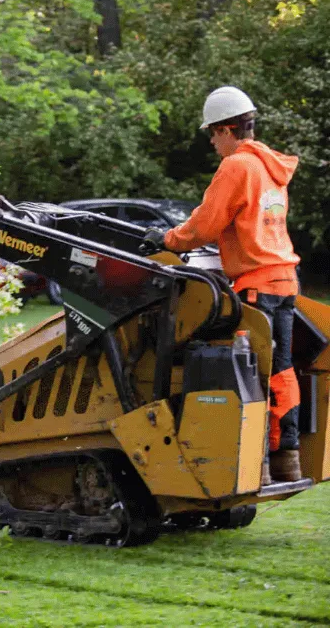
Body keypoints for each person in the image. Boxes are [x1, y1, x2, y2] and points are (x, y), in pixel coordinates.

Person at [143, 85, 302, 484]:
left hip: (256, 286)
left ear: (227, 129)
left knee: (247, 373)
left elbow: (205, 224)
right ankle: (288, 457)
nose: (212, 143)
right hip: (284, 281)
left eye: (213, 134)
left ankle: (257, 465)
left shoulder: (237, 166)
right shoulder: (271, 167)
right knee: (280, 371)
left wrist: (166, 239)